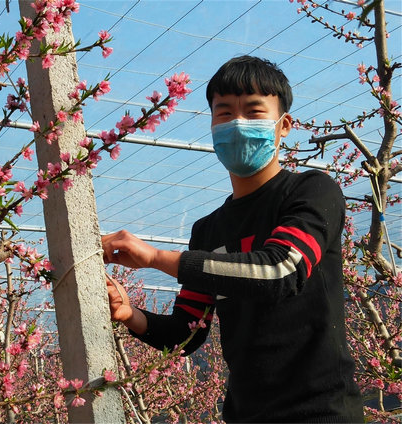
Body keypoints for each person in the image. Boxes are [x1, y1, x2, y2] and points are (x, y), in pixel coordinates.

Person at [102, 55, 364, 423]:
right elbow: (187, 331)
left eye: (254, 112)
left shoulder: (310, 191)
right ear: (211, 125)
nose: (238, 124)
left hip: (320, 413)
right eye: (224, 113)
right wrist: (130, 314)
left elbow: (282, 270)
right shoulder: (208, 231)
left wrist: (154, 257)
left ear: (283, 125)